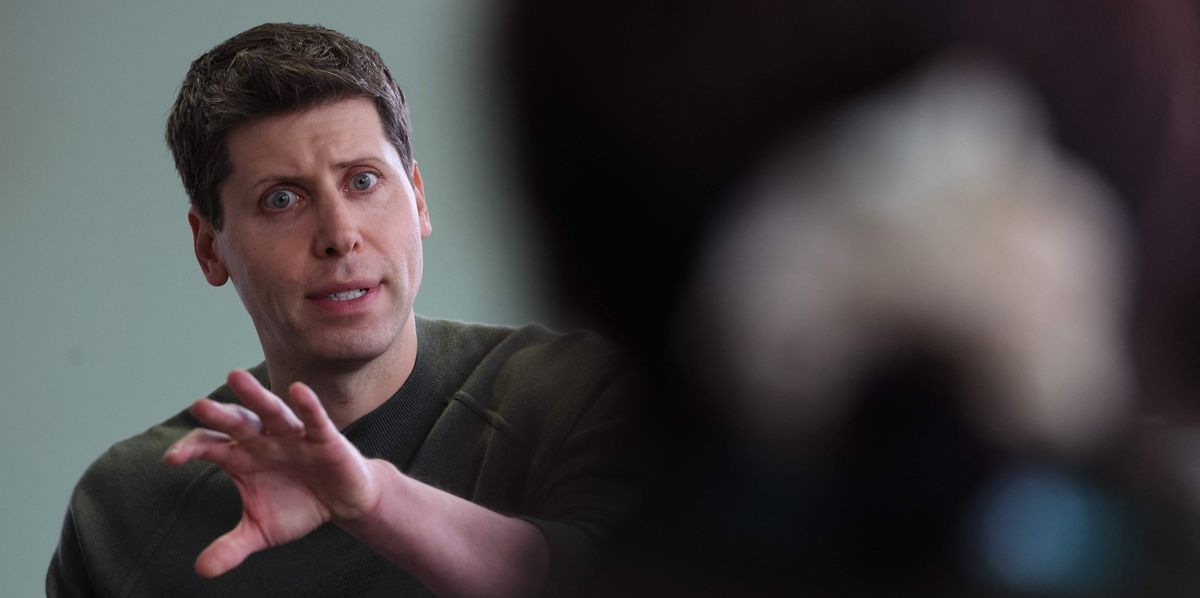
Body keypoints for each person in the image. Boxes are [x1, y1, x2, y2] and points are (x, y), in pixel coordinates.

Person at [47, 23, 641, 598]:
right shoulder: (123, 514)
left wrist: (376, 504)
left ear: (419, 200)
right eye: (282, 199)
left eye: (362, 181)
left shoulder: (575, 396)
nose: (339, 235)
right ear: (209, 248)